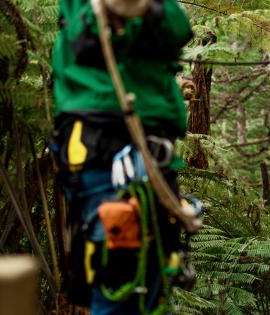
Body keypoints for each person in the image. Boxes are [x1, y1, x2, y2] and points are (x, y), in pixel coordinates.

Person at [51, 0, 196, 313]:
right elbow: (86, 37)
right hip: (105, 148)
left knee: (154, 279)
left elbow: (179, 28)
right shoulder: (84, 11)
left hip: (152, 152)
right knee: (117, 281)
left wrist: (150, 9)